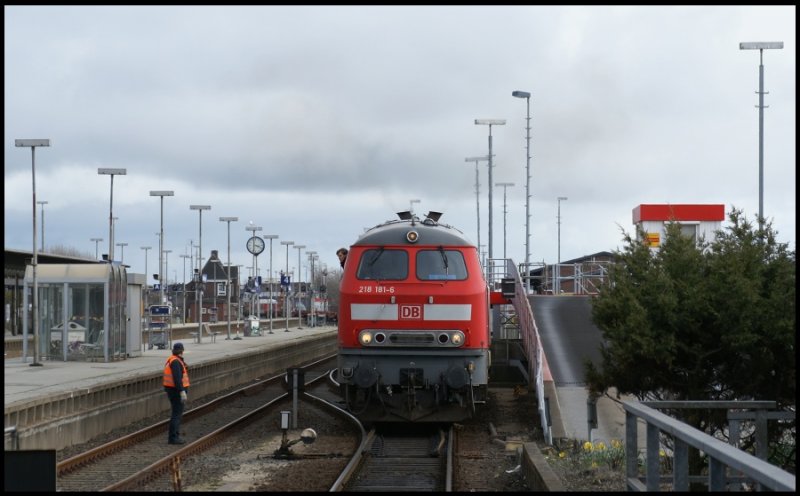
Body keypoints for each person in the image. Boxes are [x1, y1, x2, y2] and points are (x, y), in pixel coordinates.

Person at [163, 342, 190, 444]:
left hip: (172, 390)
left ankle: (174, 436)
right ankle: (173, 438)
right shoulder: (175, 362)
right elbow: (177, 379)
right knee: (177, 414)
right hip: (176, 391)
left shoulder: (173, 360)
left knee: (176, 413)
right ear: (182, 351)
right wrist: (182, 391)